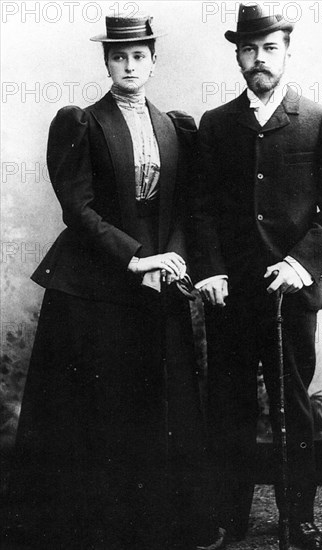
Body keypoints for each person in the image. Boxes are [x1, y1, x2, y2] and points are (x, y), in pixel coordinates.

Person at [4, 13, 224, 550]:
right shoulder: (80, 122)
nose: (130, 65)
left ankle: (160, 524)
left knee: (161, 398)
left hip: (159, 280)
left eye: (139, 56)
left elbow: (185, 206)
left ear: (153, 61)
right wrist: (134, 260)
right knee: (102, 405)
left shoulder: (176, 126)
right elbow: (76, 209)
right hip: (96, 282)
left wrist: (168, 258)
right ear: (107, 62)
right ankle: (98, 526)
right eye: (119, 56)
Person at [192, 4, 322, 550]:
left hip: (290, 296)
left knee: (293, 408)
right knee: (229, 407)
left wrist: (300, 264)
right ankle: (229, 519)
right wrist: (211, 271)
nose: (258, 60)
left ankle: (298, 519)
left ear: (286, 51)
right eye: (248, 49)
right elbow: (203, 208)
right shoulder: (216, 124)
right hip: (230, 296)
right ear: (237, 55)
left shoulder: (319, 119)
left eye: (269, 48)